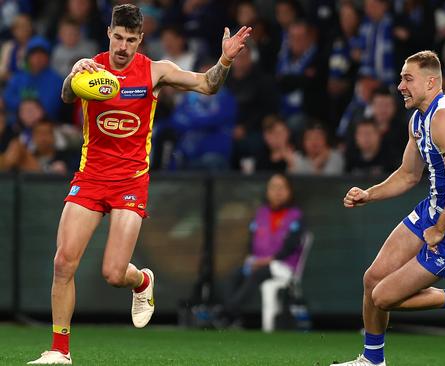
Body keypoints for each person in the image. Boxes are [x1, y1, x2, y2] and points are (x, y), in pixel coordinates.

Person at [28, 4, 251, 365]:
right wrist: (73, 76)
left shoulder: (155, 71)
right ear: (109, 34)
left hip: (130, 181)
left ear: (140, 40)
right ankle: (59, 350)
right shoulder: (90, 66)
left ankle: (141, 282)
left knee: (114, 274)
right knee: (63, 263)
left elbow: (206, 85)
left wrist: (224, 61)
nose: (123, 46)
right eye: (118, 37)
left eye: (131, 40)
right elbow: (68, 96)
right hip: (90, 177)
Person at [332, 50, 445, 366]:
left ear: (431, 82)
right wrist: (369, 194)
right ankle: (372, 360)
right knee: (371, 279)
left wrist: (440, 228)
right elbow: (408, 175)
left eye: (408, 78)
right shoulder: (419, 118)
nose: (400, 86)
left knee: (383, 296)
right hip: (433, 212)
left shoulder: (444, 118)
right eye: (401, 78)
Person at [218, 173, 305, 327]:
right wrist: (253, 260)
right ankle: (232, 316)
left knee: (257, 274)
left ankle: (226, 314)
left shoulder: (295, 215)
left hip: (283, 266)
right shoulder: (261, 213)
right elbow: (251, 243)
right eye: (273, 188)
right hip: (258, 263)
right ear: (267, 191)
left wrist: (268, 260)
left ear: (289, 191)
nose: (277, 192)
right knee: (232, 276)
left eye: (282, 188)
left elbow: (291, 246)